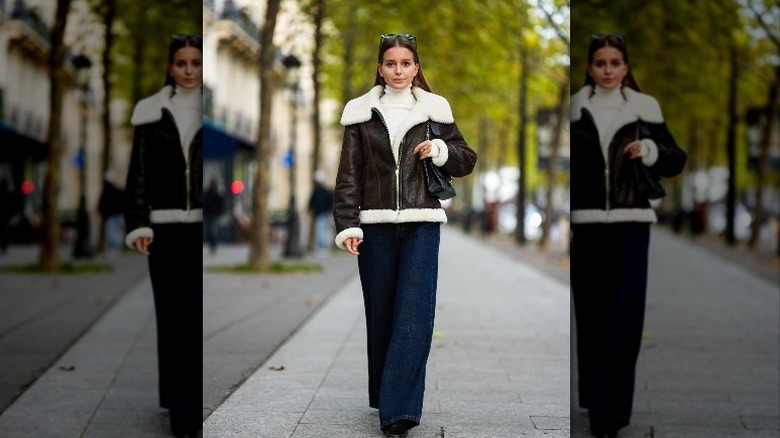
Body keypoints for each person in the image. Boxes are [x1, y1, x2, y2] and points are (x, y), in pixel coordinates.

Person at [333, 33, 477, 437]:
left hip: (422, 224)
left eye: (406, 63)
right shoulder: (359, 113)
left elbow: (466, 159)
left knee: (414, 314)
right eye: (391, 63)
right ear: (380, 67)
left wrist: (440, 151)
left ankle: (399, 410)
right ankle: (386, 393)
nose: (399, 70)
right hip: (374, 226)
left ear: (417, 67)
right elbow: (349, 174)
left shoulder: (435, 109)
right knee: (382, 314)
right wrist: (347, 224)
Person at [569, 34, 687, 438]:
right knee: (592, 318)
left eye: (615, 63)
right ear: (589, 67)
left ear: (625, 66)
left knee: (624, 319)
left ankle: (612, 412)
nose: (607, 70)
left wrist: (650, 149)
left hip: (632, 224)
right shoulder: (574, 108)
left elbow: (676, 158)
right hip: (585, 226)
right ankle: (595, 398)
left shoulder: (644, 107)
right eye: (600, 63)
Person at [123, 34, 203, 438]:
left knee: (193, 319)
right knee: (171, 319)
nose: (189, 70)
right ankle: (178, 404)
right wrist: (139, 222)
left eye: (196, 62)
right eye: (182, 63)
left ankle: (184, 407)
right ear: (170, 67)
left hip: (199, 230)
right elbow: (138, 173)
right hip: (165, 229)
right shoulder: (151, 112)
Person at [98, 170, 124, 255]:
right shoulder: (115, 190)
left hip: (112, 214)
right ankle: (113, 248)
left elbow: (103, 203)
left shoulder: (109, 190)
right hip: (114, 214)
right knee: (113, 231)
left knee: (111, 232)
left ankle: (113, 248)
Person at [307, 169, 333, 255]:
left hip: (323, 213)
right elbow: (312, 201)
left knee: (321, 231)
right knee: (320, 231)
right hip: (318, 213)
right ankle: (320, 247)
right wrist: (309, 210)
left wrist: (329, 210)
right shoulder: (316, 191)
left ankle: (322, 248)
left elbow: (330, 201)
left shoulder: (326, 192)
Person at [203, 178, 224, 254]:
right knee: (209, 231)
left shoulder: (217, 195)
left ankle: (214, 245)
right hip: (208, 215)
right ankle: (212, 244)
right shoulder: (207, 194)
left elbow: (221, 205)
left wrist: (219, 212)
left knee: (213, 230)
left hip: (214, 215)